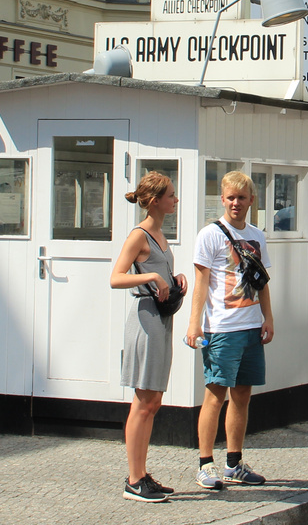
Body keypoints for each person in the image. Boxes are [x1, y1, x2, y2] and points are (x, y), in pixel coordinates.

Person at [186, 171, 274, 492]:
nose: (236, 203)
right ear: (222, 199)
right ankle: (204, 463)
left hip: (251, 326)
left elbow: (262, 282)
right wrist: (194, 323)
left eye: (242, 197)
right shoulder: (209, 235)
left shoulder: (258, 237)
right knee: (215, 394)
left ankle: (234, 463)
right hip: (221, 328)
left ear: (252, 200)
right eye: (230, 198)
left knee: (242, 396)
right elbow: (201, 284)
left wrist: (268, 318)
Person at [109, 172, 186, 503]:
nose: (176, 199)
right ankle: (134, 479)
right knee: (143, 402)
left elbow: (160, 275)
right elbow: (115, 278)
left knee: (152, 401)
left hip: (161, 319)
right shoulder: (139, 235)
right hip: (145, 320)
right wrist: (154, 274)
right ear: (155, 201)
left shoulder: (159, 233)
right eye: (171, 195)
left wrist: (175, 276)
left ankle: (140, 475)